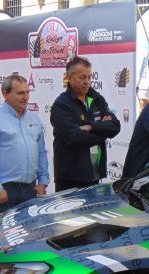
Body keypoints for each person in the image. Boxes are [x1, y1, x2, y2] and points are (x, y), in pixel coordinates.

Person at [0, 74, 49, 219]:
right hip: (5, 192)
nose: (26, 97)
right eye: (20, 93)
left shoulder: (35, 120)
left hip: (31, 190)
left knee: (30, 237)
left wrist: (43, 181)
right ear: (5, 93)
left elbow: (41, 152)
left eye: (27, 92)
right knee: (4, 239)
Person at [50, 56, 120, 191]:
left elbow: (115, 126)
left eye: (89, 77)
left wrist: (91, 127)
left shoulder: (96, 98)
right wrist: (103, 132)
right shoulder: (61, 105)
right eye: (82, 77)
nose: (87, 81)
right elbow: (75, 137)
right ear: (69, 78)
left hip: (95, 174)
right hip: (71, 178)